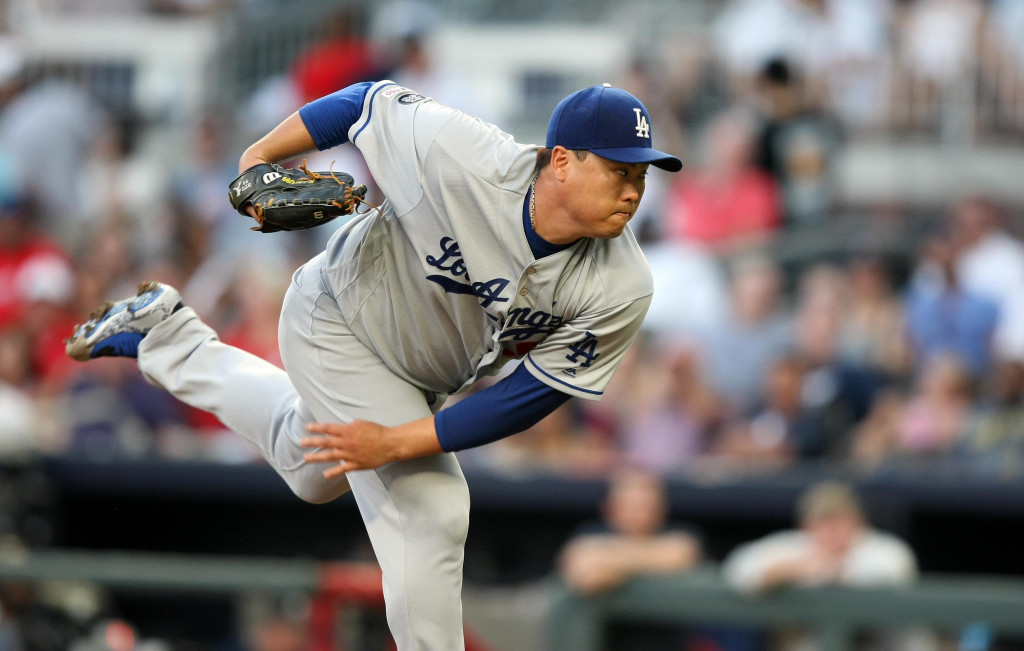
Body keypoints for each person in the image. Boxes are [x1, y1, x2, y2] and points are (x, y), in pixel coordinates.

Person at [65, 80, 682, 650]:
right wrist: (259, 157)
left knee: (309, 465)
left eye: (641, 175)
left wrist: (396, 440)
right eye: (619, 170)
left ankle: (165, 338)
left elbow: (527, 397)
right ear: (563, 161)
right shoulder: (461, 153)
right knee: (434, 507)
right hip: (338, 318)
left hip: (418, 379)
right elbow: (365, 101)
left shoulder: (622, 284)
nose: (634, 191)